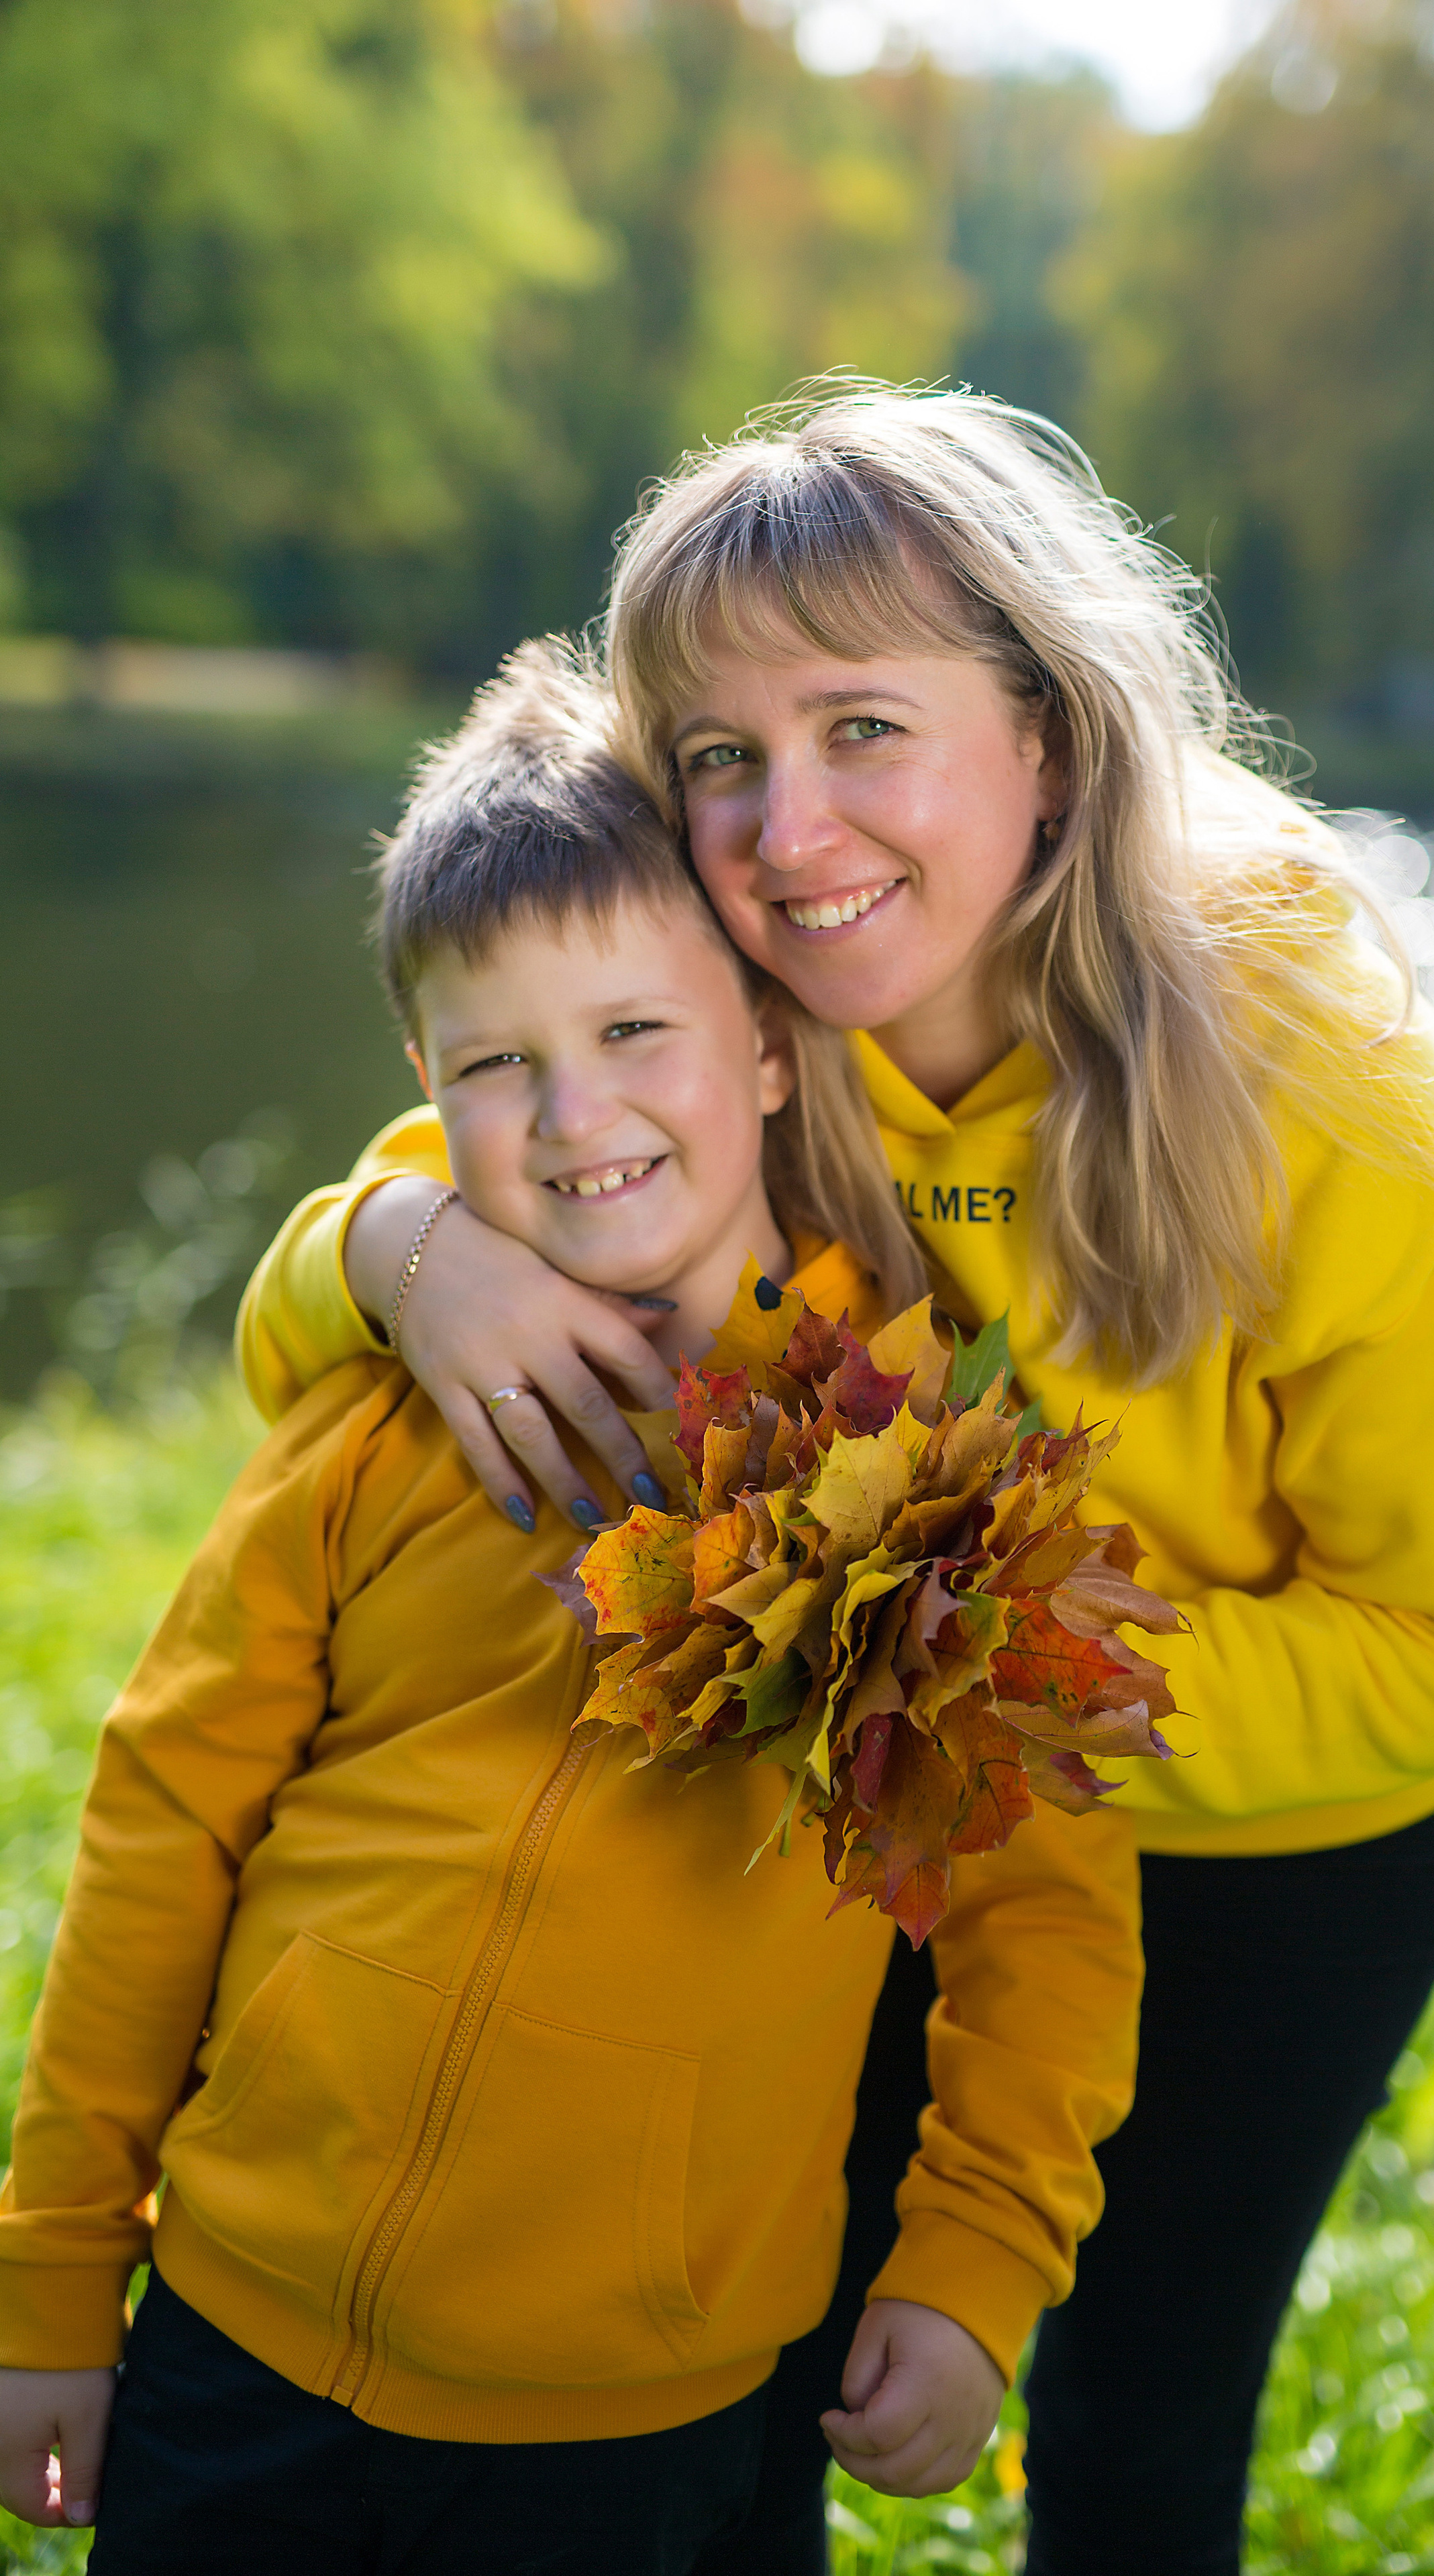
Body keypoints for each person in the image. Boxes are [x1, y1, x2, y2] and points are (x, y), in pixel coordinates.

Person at [234, 384, 1434, 2576]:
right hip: (884, 1810)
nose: (787, 826)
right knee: (783, 2340)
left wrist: (976, 1706)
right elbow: (347, 1268)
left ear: (1049, 730)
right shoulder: (755, 1009)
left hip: (1269, 1849)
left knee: (1139, 2430)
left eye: (867, 724)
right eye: (720, 757)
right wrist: (406, 1253)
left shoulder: (1348, 1106)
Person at [0, 641, 1143, 2576]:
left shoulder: (926, 1481)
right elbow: (162, 1830)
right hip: (238, 2340)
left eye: (636, 1034)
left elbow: (1045, 1928)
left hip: (643, 2414)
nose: (574, 1110)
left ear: (774, 1048)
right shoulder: (375, 1431)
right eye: (497, 1062)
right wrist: (49, 2281)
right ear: (427, 1095)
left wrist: (973, 2264)